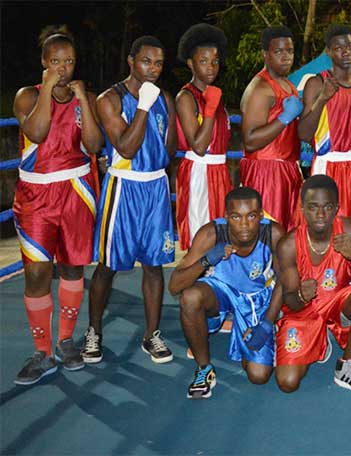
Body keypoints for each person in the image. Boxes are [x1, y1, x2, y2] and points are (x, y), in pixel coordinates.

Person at [12, 28, 103, 385]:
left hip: (77, 191)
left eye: (69, 61)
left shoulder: (86, 97)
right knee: (37, 272)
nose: (63, 68)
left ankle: (65, 341)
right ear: (43, 63)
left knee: (71, 267)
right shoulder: (26, 96)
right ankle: (41, 350)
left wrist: (82, 101)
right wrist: (49, 89)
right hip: (36, 196)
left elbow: (94, 144)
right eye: (55, 62)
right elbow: (36, 132)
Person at [84, 35, 177, 365]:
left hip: (155, 189)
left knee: (154, 266)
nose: (153, 68)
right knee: (108, 266)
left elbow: (169, 149)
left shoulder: (165, 97)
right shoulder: (110, 99)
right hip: (123, 190)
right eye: (146, 61)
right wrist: (143, 105)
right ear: (131, 61)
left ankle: (151, 334)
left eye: (159, 63)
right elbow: (125, 147)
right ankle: (93, 331)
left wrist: (158, 166)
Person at [271, 175, 351, 397]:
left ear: (337, 208)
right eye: (313, 207)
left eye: (327, 207)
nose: (321, 215)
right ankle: (319, 340)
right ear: (302, 209)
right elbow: (291, 301)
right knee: (287, 382)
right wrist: (302, 296)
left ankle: (347, 366)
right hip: (303, 311)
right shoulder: (289, 244)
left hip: (338, 298)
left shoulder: (350, 229)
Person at [168, 188, 284, 398]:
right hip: (219, 291)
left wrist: (266, 325)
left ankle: (250, 335)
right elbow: (175, 286)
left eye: (251, 216)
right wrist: (207, 259)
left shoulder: (273, 233)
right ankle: (204, 368)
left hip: (254, 298)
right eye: (236, 217)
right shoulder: (211, 234)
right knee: (190, 297)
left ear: (260, 215)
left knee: (259, 375)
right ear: (226, 217)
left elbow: (284, 282)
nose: (244, 224)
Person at [298, 25, 351, 226]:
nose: (345, 51)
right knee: (328, 228)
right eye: (338, 48)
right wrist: (322, 99)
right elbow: (303, 134)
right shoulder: (317, 83)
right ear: (329, 52)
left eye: (349, 46)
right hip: (329, 164)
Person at [174, 23, 232, 250]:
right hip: (199, 172)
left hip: (219, 171)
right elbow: (198, 145)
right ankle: (191, 285)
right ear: (191, 63)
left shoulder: (213, 95)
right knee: (201, 239)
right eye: (204, 61)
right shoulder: (186, 97)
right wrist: (209, 108)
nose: (211, 67)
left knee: (221, 238)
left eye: (215, 61)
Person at [240, 25, 304, 230]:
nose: (286, 57)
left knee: (287, 234)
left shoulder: (288, 85)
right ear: (265, 55)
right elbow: (250, 141)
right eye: (279, 52)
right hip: (266, 173)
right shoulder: (260, 89)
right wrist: (284, 118)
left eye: (290, 51)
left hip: (287, 169)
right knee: (268, 235)